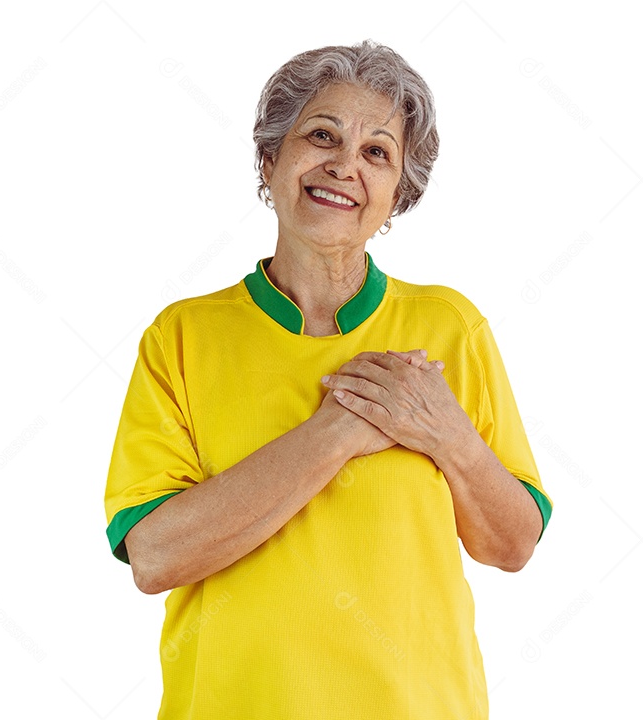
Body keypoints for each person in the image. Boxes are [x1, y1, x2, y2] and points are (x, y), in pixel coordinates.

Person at [103, 39, 553, 719]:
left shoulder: (449, 329)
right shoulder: (182, 338)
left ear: (398, 193)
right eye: (321, 136)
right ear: (270, 160)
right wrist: (338, 432)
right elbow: (156, 556)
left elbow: (512, 544)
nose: (345, 166)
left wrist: (447, 435)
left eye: (377, 152)